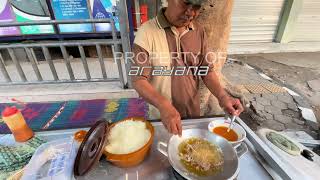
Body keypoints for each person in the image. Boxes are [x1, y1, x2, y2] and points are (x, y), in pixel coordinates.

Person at [131, 0, 244, 136]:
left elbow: (206, 70)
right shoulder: (146, 33)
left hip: (192, 114)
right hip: (161, 117)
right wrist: (164, 106)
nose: (190, 13)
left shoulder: (198, 31)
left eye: (196, 7)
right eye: (185, 3)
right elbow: (138, 80)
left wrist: (223, 97)